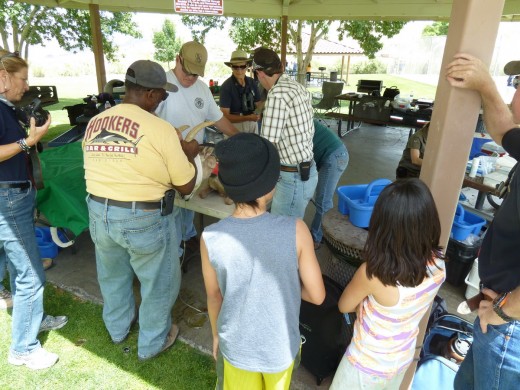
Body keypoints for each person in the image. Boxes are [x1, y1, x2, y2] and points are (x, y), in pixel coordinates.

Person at [83, 59, 199, 360]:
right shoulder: (160, 129)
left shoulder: (96, 122)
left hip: (98, 211)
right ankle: (151, 343)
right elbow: (186, 186)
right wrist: (188, 155)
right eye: (162, 94)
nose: (163, 99)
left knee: (112, 276)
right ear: (149, 94)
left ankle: (117, 328)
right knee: (159, 282)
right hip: (142, 217)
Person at [200, 133, 325, 389]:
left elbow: (214, 296)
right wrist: (285, 281)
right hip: (279, 349)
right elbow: (317, 295)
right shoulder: (297, 230)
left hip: (235, 348)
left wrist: (216, 335)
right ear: (270, 184)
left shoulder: (210, 237)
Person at [446, 53, 520, 390]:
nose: (514, 95)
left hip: (510, 328)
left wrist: (504, 312)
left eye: (519, 85)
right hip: (501, 314)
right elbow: (504, 128)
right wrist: (487, 88)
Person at [330, 179, 445, 389]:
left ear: (382, 225)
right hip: (401, 359)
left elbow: (344, 306)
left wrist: (365, 303)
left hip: (364, 365)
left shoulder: (374, 274)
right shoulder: (439, 265)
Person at [0, 50, 68, 369]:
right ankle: (24, 348)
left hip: (13, 195)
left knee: (15, 265)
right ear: (4, 78)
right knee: (29, 273)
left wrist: (31, 137)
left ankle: (31, 319)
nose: (26, 86)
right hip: (8, 197)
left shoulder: (6, 108)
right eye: (23, 79)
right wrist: (29, 142)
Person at [156, 41, 239, 255]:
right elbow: (147, 121)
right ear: (178, 59)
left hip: (194, 157)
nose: (190, 78)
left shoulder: (202, 88)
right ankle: (173, 250)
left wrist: (240, 138)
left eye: (196, 74)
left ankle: (188, 236)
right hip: (165, 160)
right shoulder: (161, 84)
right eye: (187, 71)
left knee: (189, 199)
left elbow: (218, 119)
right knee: (171, 205)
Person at [253, 47, 318, 219]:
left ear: (259, 73)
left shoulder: (277, 93)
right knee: (292, 230)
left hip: (292, 178)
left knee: (282, 236)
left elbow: (267, 145)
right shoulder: (296, 86)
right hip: (307, 172)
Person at [310, 119, 349, 249]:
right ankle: (320, 234)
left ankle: (317, 238)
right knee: (323, 199)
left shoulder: (300, 122)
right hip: (335, 154)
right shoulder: (302, 118)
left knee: (324, 201)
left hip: (334, 156)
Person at [219, 49, 262, 133]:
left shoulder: (252, 82)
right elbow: (225, 116)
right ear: (231, 67)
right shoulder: (226, 87)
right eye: (236, 67)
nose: (239, 70)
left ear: (247, 66)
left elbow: (258, 104)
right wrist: (247, 117)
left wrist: (259, 113)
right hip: (234, 126)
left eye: (242, 67)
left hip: (252, 123)